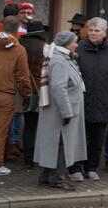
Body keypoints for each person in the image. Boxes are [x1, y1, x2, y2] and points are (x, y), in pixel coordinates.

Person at [70, 17, 108, 181]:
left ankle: (91, 167)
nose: (93, 33)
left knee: (97, 138)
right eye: (91, 30)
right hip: (81, 100)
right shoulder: (79, 47)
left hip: (103, 101)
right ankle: (75, 168)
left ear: (104, 33)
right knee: (79, 137)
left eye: (97, 31)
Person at [33, 31, 86, 189]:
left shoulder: (63, 58)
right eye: (74, 42)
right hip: (62, 111)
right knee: (61, 144)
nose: (76, 45)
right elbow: (59, 88)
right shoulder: (60, 60)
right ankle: (56, 178)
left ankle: (47, 176)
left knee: (57, 143)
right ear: (67, 44)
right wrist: (66, 112)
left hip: (64, 109)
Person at [0, 16, 32, 176]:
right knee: (0, 130)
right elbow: (23, 76)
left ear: (1, 25)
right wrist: (27, 94)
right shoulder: (19, 50)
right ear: (17, 29)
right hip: (5, 94)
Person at [20, 20, 49, 168]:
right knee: (39, 125)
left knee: (28, 125)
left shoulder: (20, 46)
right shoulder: (45, 47)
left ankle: (28, 159)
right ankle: (37, 156)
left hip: (24, 90)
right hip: (41, 90)